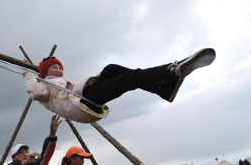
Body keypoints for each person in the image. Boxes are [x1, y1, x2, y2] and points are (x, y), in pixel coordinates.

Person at [23, 48, 216, 123]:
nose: (58, 71)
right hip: (82, 104)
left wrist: (98, 78)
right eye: (53, 68)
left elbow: (77, 86)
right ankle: (169, 71)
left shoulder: (63, 82)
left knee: (113, 68)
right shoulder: (42, 84)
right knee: (128, 80)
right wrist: (28, 76)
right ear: (44, 72)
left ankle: (163, 89)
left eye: (59, 67)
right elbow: (37, 93)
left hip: (86, 96)